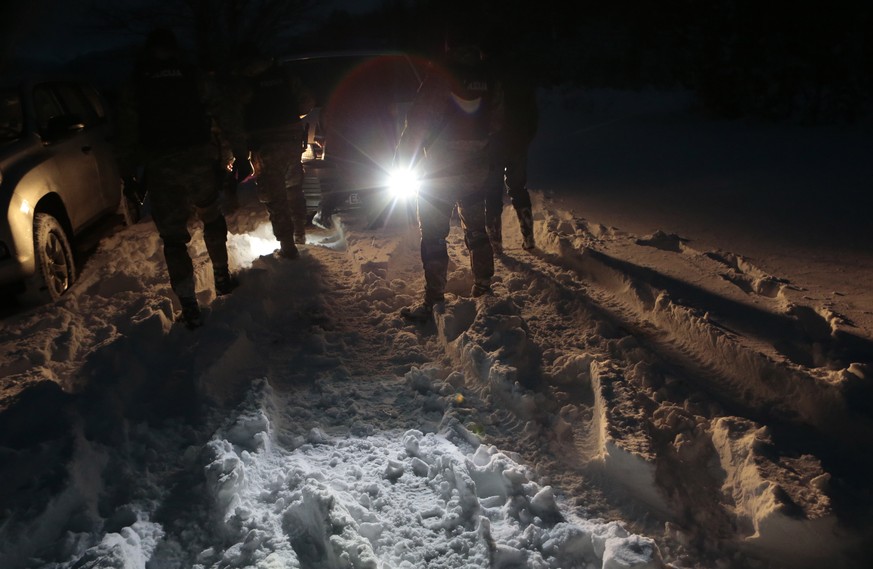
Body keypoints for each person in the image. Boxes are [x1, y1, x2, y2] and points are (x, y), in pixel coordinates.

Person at [116, 28, 236, 328]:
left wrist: (129, 171)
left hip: (161, 165)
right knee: (211, 216)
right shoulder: (192, 75)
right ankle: (222, 277)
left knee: (173, 239)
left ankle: (188, 304)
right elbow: (220, 113)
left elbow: (126, 130)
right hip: (197, 159)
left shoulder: (136, 82)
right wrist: (226, 156)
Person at [396, 41, 503, 323]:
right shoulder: (487, 77)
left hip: (441, 168)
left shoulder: (440, 76)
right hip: (476, 166)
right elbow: (497, 120)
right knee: (477, 229)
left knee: (433, 235)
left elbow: (418, 119)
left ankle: (434, 300)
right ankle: (484, 287)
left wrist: (403, 157)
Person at [236, 46, 313, 257]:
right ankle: (299, 234)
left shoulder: (244, 83)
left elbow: (235, 116)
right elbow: (306, 103)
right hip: (291, 140)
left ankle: (288, 247)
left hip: (264, 145)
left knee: (275, 196)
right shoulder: (284, 75)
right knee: (294, 188)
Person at [484, 39, 538, 254]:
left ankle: (495, 243)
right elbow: (532, 112)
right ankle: (529, 238)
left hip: (493, 143)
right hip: (517, 141)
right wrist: (525, 138)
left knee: (492, 192)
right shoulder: (521, 75)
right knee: (518, 189)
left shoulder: (487, 74)